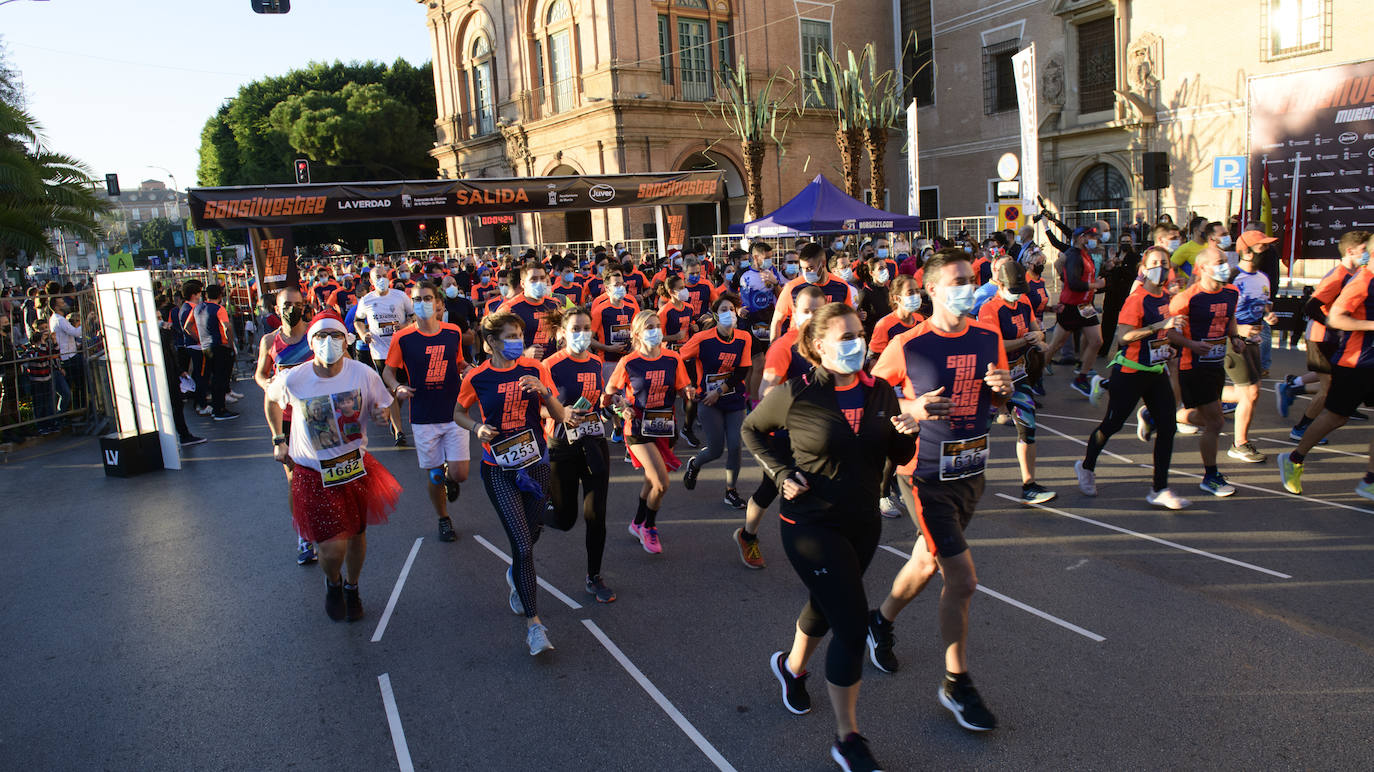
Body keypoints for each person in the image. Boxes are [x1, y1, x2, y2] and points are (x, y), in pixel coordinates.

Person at [742, 301, 918, 772]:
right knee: (851, 623)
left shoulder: (881, 390)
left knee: (828, 602)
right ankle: (847, 739)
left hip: (862, 522)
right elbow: (752, 430)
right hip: (810, 524)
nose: (856, 344)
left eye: (858, 334)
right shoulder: (794, 393)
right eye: (844, 337)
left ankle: (791, 668)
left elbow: (897, 453)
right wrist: (781, 473)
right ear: (819, 346)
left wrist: (908, 432)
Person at [868, 249, 1013, 733]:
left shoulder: (988, 337)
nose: (967, 288)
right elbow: (869, 394)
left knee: (927, 562)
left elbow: (996, 396)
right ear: (931, 290)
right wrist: (911, 404)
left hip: (970, 469)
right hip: (923, 474)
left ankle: (881, 620)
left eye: (970, 279)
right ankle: (956, 682)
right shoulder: (908, 345)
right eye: (957, 281)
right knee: (963, 578)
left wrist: (1002, 387)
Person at [266, 313, 403, 622]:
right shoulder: (295, 378)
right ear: (311, 342)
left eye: (336, 335)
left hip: (354, 468)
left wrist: (385, 418)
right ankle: (333, 581)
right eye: (321, 336)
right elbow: (271, 400)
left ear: (346, 339)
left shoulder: (363, 373)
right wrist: (278, 439)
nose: (329, 342)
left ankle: (352, 587)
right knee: (331, 548)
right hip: (313, 473)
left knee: (355, 535)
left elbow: (383, 402)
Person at [455, 311, 567, 655]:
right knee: (521, 545)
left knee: (530, 538)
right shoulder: (478, 377)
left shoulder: (535, 368)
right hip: (499, 468)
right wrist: (477, 428)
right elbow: (457, 412)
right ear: (491, 343)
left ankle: (516, 575)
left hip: (536, 464)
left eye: (520, 334)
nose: (519, 341)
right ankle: (535, 626)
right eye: (510, 336)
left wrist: (544, 391)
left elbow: (560, 414)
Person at [1075, 247, 1190, 509]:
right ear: (1144, 269)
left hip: (1155, 371)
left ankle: (1159, 489)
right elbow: (1123, 337)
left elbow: (1164, 334)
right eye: (1154, 263)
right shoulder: (1136, 299)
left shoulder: (1164, 297)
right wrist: (1160, 327)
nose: (1160, 267)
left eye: (1164, 262)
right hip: (1130, 372)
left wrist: (1169, 344)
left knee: (1168, 428)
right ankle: (1086, 466)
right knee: (1111, 426)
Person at [735, 286, 829, 568]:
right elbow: (766, 392)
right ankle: (748, 536)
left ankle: (821, 553)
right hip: (783, 436)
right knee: (770, 490)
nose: (812, 316)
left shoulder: (828, 342)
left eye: (818, 310)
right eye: (806, 311)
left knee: (817, 492)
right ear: (794, 312)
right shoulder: (784, 346)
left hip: (818, 436)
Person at [1279, 233, 1374, 497]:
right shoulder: (1361, 281)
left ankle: (1370, 478)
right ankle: (1294, 458)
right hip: (1355, 363)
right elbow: (1335, 318)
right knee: (1336, 417)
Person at [384, 282, 470, 543]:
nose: (423, 302)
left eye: (428, 297)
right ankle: (443, 518)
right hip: (423, 415)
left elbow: (459, 361)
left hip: (453, 411)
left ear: (438, 303)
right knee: (433, 474)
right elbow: (388, 371)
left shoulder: (453, 331)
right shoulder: (403, 337)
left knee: (460, 474)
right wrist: (397, 386)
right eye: (418, 298)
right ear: (412, 302)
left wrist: (467, 368)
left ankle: (449, 478)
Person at [605, 309, 695, 554]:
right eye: (648, 327)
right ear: (637, 333)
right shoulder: (628, 362)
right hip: (637, 428)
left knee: (651, 480)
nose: (655, 331)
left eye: (657, 326)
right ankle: (649, 527)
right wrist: (621, 405)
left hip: (665, 426)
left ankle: (637, 522)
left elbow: (682, 386)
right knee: (662, 483)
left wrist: (687, 392)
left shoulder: (672, 359)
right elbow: (609, 393)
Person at [543, 306, 616, 603]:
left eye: (587, 328)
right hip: (561, 446)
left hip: (593, 441)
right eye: (575, 329)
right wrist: (561, 413)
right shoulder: (548, 365)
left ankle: (594, 576)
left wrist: (613, 406)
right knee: (565, 519)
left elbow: (597, 402)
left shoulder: (597, 362)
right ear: (562, 333)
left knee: (596, 514)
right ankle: (540, 510)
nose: (582, 334)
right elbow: (533, 407)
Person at [1166, 247, 1243, 496]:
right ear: (1202, 269)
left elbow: (1229, 319)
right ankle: (1210, 476)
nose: (1225, 265)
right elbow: (1169, 332)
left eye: (1226, 261)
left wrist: (1236, 337)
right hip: (1193, 366)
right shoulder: (1186, 298)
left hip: (1216, 364)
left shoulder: (1232, 291)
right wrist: (1191, 344)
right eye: (1219, 262)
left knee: (1210, 418)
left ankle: (1161, 416)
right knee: (1216, 421)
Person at [977, 261, 1055, 505]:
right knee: (977, 433)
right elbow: (994, 345)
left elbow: (1038, 330)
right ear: (999, 284)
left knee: (1028, 427)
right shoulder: (989, 309)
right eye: (1013, 288)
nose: (1018, 293)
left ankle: (1029, 484)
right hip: (991, 380)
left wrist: (1039, 338)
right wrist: (1026, 340)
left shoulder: (1024, 303)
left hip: (1019, 376)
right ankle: (961, 482)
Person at [255, 286, 317, 565]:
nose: (292, 309)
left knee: (325, 475)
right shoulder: (269, 341)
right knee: (296, 481)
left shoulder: (315, 335)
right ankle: (304, 534)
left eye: (297, 304)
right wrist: (267, 385)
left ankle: (328, 527)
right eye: (286, 305)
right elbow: (260, 374)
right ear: (276, 310)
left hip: (317, 415)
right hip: (288, 419)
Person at [681, 294, 753, 510]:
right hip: (708, 400)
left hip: (732, 397)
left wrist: (720, 390)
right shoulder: (703, 338)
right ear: (715, 314)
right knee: (715, 450)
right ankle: (694, 464)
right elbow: (678, 359)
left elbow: (742, 370)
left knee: (735, 446)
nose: (729, 313)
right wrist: (688, 385)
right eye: (723, 309)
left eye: (732, 309)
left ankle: (730, 491)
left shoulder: (744, 337)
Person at [1044, 225, 1106, 398]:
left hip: (1085, 306)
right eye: (1090, 237)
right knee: (1056, 344)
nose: (1094, 240)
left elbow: (1087, 279)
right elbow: (1073, 282)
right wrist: (1096, 285)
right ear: (1080, 238)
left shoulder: (1086, 255)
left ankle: (1082, 377)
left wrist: (1098, 283)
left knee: (1096, 341)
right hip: (1071, 307)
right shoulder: (1073, 255)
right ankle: (1036, 373)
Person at [354, 272, 415, 445]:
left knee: (399, 390)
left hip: (402, 348)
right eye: (377, 277)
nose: (381, 279)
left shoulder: (400, 296)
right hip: (379, 350)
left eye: (383, 275)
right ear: (371, 281)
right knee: (390, 391)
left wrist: (405, 326)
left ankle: (393, 417)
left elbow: (413, 316)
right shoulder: (366, 300)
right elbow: (358, 321)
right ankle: (399, 432)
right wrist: (363, 333)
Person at [770, 242, 855, 340]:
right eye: (803, 268)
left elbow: (848, 320)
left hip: (828, 346)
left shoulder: (841, 286)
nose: (805, 273)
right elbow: (777, 321)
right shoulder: (792, 287)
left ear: (822, 263)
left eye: (810, 268)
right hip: (798, 346)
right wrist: (773, 347)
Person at [500, 260, 562, 360]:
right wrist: (524, 354)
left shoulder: (554, 304)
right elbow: (492, 345)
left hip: (550, 366)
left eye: (542, 278)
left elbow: (561, 331)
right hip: (522, 367)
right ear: (523, 284)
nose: (539, 282)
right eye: (534, 279)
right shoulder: (509, 308)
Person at [194, 285, 239, 421]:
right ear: (220, 296)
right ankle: (219, 410)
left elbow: (188, 326)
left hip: (206, 346)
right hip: (220, 346)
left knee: (214, 378)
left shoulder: (197, 308)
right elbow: (227, 327)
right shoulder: (219, 309)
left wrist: (199, 338)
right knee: (221, 378)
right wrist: (231, 345)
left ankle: (216, 408)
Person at [868, 275, 925, 359]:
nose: (916, 295)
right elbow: (874, 360)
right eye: (910, 292)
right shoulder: (884, 325)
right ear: (897, 298)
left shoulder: (920, 319)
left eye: (917, 291)